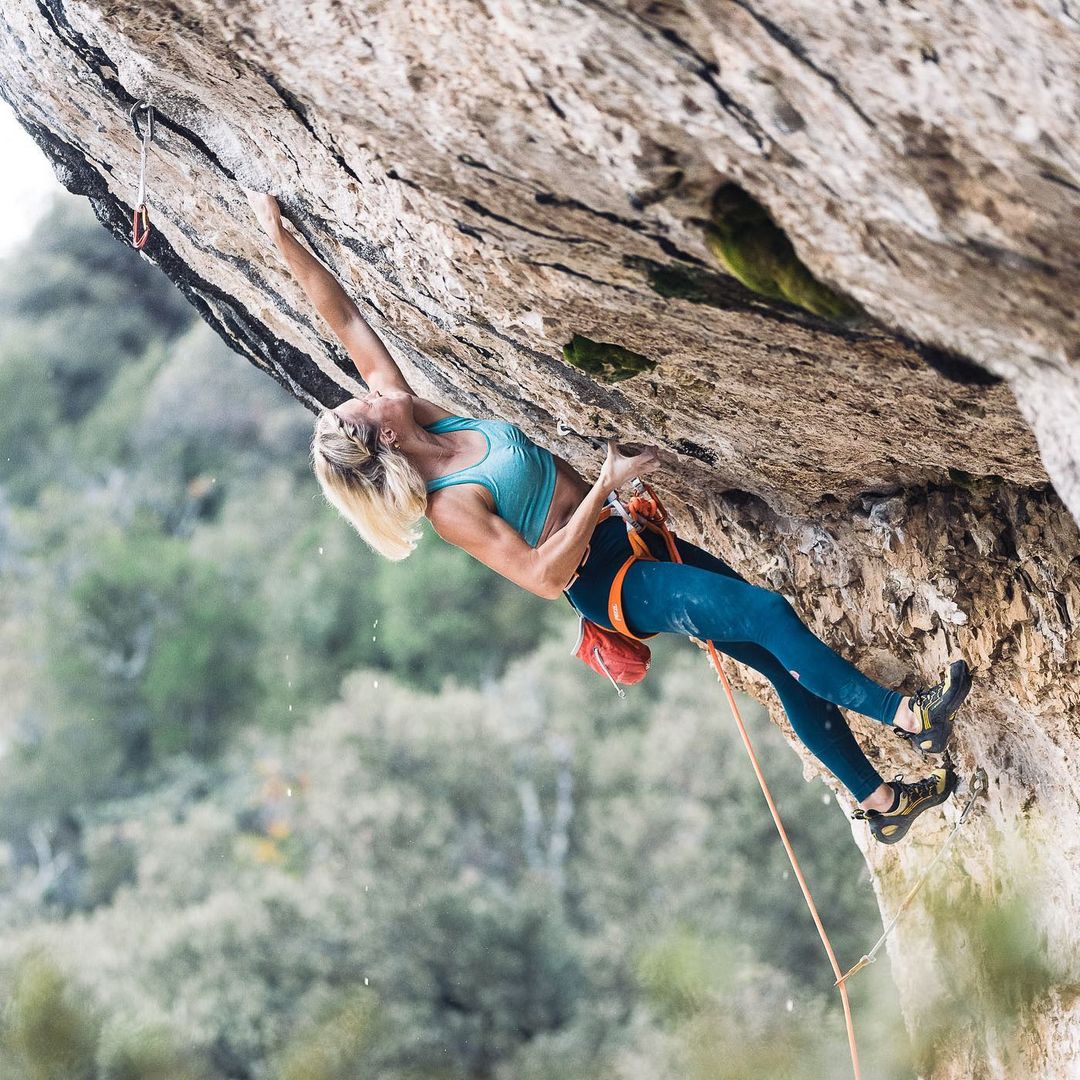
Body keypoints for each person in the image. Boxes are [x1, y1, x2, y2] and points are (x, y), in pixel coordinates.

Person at [246, 190, 971, 845]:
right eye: (362, 409)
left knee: (778, 663)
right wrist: (603, 486)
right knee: (769, 614)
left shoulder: (417, 414)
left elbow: (341, 316)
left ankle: (879, 801)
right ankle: (909, 716)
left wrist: (279, 238)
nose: (369, 394)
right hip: (608, 581)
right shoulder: (451, 506)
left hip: (630, 540)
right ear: (385, 440)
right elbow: (538, 574)